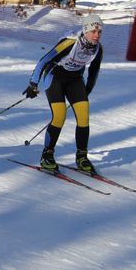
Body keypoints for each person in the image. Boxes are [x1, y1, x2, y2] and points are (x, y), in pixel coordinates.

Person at [23, 15, 104, 174]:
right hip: (55, 78)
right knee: (59, 116)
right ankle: (47, 155)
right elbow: (44, 61)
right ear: (86, 30)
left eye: (99, 31)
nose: (97, 35)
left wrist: (87, 89)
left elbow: (94, 71)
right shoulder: (70, 43)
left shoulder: (97, 49)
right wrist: (33, 84)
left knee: (83, 116)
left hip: (74, 80)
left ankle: (82, 157)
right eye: (94, 31)